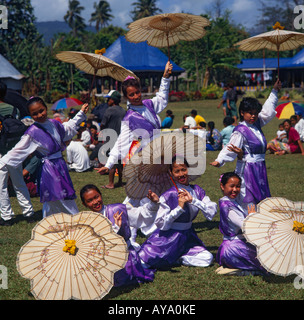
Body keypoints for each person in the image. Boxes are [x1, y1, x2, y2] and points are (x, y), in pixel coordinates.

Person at [0, 97, 89, 218]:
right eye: (34, 114)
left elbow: (67, 128)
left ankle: (58, 220)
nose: (39, 115)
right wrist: (2, 162)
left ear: (46, 108)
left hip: (60, 165)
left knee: (61, 194)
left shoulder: (54, 123)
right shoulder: (32, 132)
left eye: (41, 110)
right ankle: (68, 219)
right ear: (30, 115)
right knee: (56, 195)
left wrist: (81, 113)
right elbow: (18, 150)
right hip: (49, 168)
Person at [210, 79, 281, 211]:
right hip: (247, 167)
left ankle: (260, 220)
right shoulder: (240, 130)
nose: (253, 116)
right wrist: (219, 160)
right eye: (250, 113)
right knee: (248, 195)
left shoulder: (256, 123)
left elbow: (267, 110)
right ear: (242, 113)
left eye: (255, 113)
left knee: (261, 195)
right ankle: (249, 221)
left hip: (260, 166)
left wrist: (274, 91)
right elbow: (230, 147)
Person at [138, 156, 218, 269]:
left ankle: (178, 257)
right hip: (168, 238)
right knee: (144, 262)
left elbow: (211, 212)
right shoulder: (168, 195)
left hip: (188, 237)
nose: (181, 174)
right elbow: (162, 224)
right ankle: (172, 256)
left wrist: (193, 201)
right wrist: (179, 209)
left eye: (183, 169)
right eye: (177, 171)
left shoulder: (197, 190)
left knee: (207, 258)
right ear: (171, 173)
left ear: (188, 169)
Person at [96, 61, 173, 176]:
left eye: (137, 92)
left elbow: (162, 98)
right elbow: (121, 143)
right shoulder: (129, 118)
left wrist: (165, 78)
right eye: (131, 95)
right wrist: (108, 165)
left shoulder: (149, 104)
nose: (136, 96)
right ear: (126, 97)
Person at [80, 184, 159, 287]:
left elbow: (139, 215)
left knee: (120, 280)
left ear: (101, 195)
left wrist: (153, 203)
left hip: (125, 256)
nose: (95, 202)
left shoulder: (117, 209)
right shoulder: (87, 222)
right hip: (104, 259)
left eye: (96, 197)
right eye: (90, 200)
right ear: (84, 204)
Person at [215, 172, 267, 276]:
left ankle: (233, 266)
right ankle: (241, 270)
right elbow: (245, 226)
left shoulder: (234, 201)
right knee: (265, 263)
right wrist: (252, 216)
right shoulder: (227, 206)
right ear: (222, 186)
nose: (235, 189)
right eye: (232, 186)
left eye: (238, 186)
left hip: (237, 244)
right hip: (234, 248)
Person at [0, 83, 34, 226]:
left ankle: (7, 216)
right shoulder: (13, 108)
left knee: (1, 186)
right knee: (19, 182)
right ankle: (29, 213)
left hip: (1, 152)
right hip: (14, 151)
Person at [99, 90, 126, 189]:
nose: (107, 101)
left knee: (112, 160)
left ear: (113, 100)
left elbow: (103, 124)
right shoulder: (123, 110)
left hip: (111, 138)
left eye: (108, 99)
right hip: (121, 138)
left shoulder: (109, 110)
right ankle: (120, 181)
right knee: (119, 160)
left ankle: (110, 183)